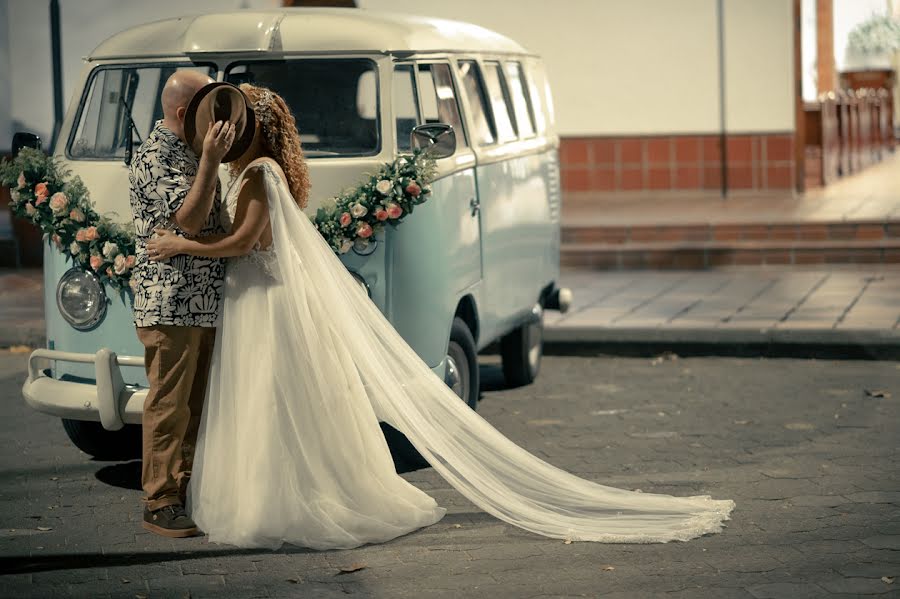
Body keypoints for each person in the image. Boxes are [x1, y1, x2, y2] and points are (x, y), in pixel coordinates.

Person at [146, 84, 735, 550]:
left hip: (262, 303)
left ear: (255, 130)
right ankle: (275, 494)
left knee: (269, 402)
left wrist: (182, 247)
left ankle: (278, 503)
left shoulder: (256, 173)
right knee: (270, 406)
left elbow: (249, 242)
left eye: (234, 119)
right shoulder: (256, 172)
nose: (220, 128)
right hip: (256, 303)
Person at [128, 69, 236, 538]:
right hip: (171, 301)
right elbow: (189, 221)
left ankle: (185, 487)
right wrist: (211, 160)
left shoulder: (190, 151)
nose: (218, 119)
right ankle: (160, 501)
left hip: (204, 297)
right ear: (181, 113)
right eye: (210, 108)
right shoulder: (155, 157)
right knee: (170, 403)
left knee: (196, 402)